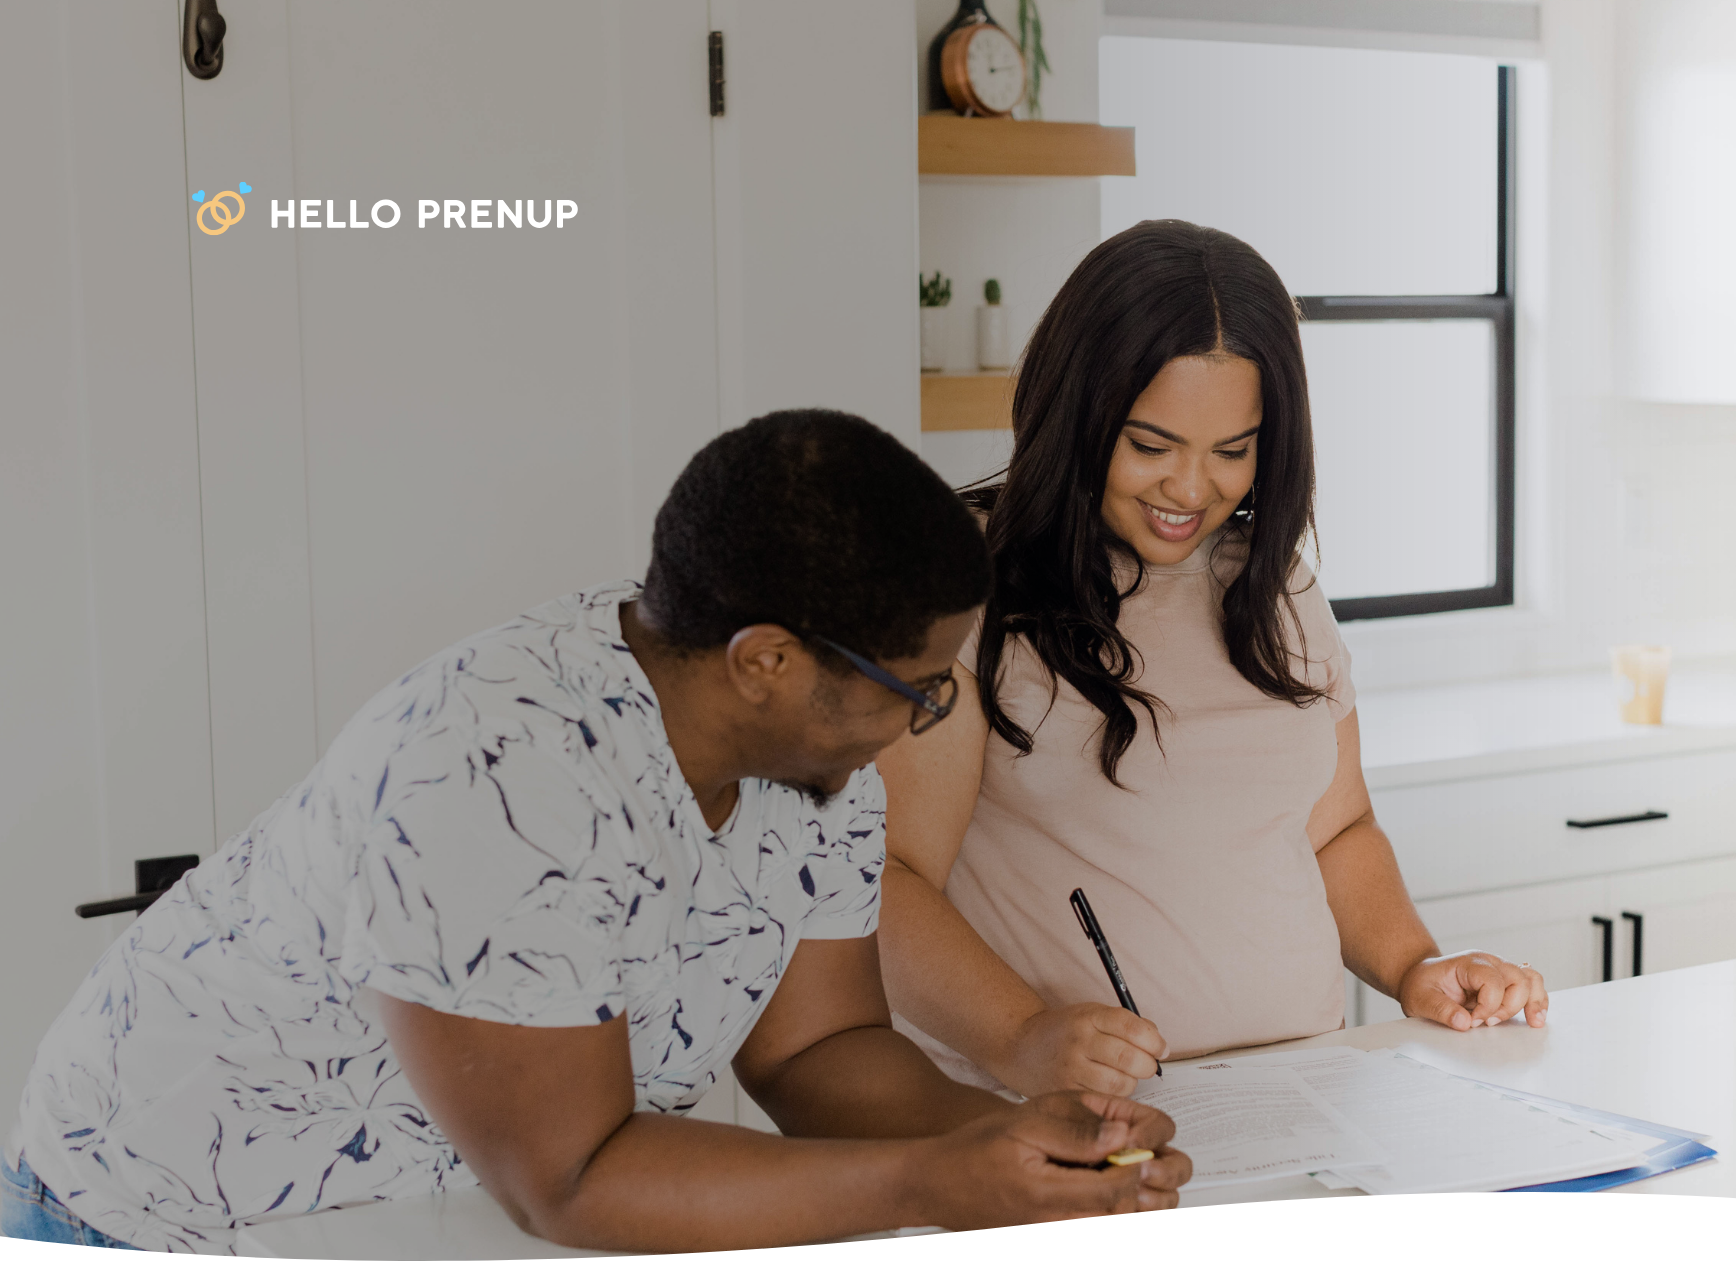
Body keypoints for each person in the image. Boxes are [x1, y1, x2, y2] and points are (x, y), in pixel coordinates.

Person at [4, 410, 1191, 1254]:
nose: (931, 713)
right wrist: (936, 1178)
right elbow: (574, 1179)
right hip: (162, 1218)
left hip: (420, 1218)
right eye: (917, 684)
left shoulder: (817, 763)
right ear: (767, 661)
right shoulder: (495, 776)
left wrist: (1041, 1148)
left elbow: (815, 1052)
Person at [874, 222, 1549, 1101]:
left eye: (1233, 451)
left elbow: (1337, 830)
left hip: (1304, 1101)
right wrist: (1021, 1037)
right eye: (1151, 446)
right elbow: (885, 882)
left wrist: (1416, 966)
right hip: (1069, 1124)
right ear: (1076, 412)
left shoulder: (1273, 582)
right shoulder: (962, 586)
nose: (1192, 490)